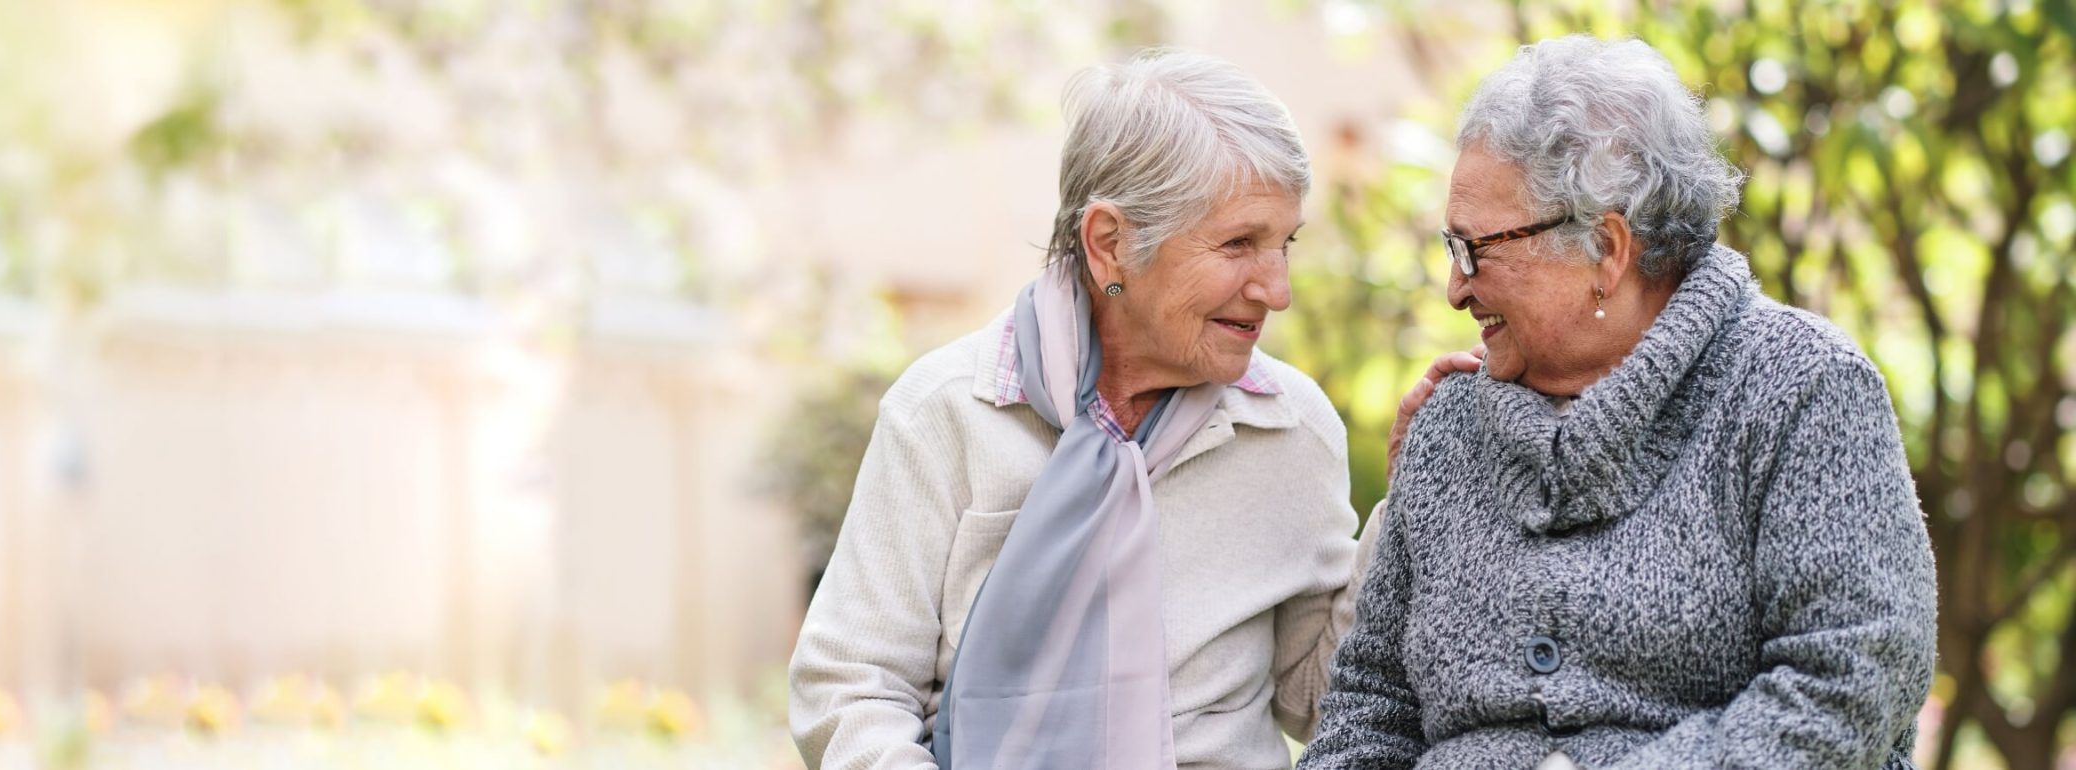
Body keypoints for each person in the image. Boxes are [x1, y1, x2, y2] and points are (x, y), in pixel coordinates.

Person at [1300, 35, 1937, 769]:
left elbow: (1848, 686)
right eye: (1451, 247)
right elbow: (1367, 711)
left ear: (1606, 248)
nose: (1456, 287)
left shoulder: (1803, 389)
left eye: (1477, 249)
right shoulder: (1448, 426)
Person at [788, 49, 1361, 770]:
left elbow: (1318, 700)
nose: (1276, 289)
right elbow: (849, 685)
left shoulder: (1290, 429)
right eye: (1240, 243)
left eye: (1286, 244)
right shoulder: (946, 412)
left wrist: (1407, 517)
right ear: (1109, 244)